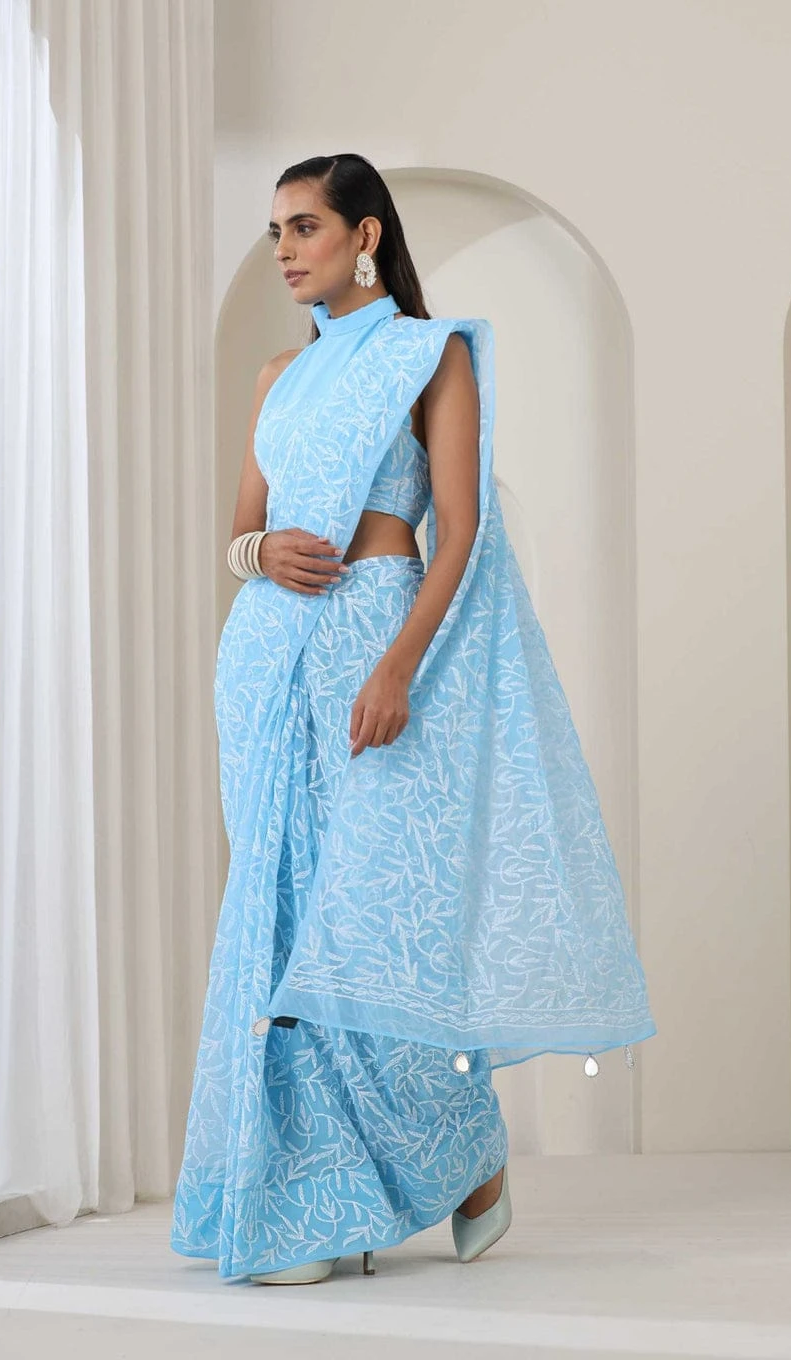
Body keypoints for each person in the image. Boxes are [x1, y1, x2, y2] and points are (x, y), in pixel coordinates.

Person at [170, 153, 656, 1286]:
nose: (285, 250)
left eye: (305, 227)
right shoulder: (278, 375)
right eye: (277, 231)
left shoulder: (431, 355)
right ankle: (313, 1197)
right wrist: (259, 553)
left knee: (368, 919)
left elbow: (461, 530)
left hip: (372, 640)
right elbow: (239, 531)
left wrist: (397, 667)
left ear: (367, 235)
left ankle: (464, 1150)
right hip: (266, 662)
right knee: (281, 919)